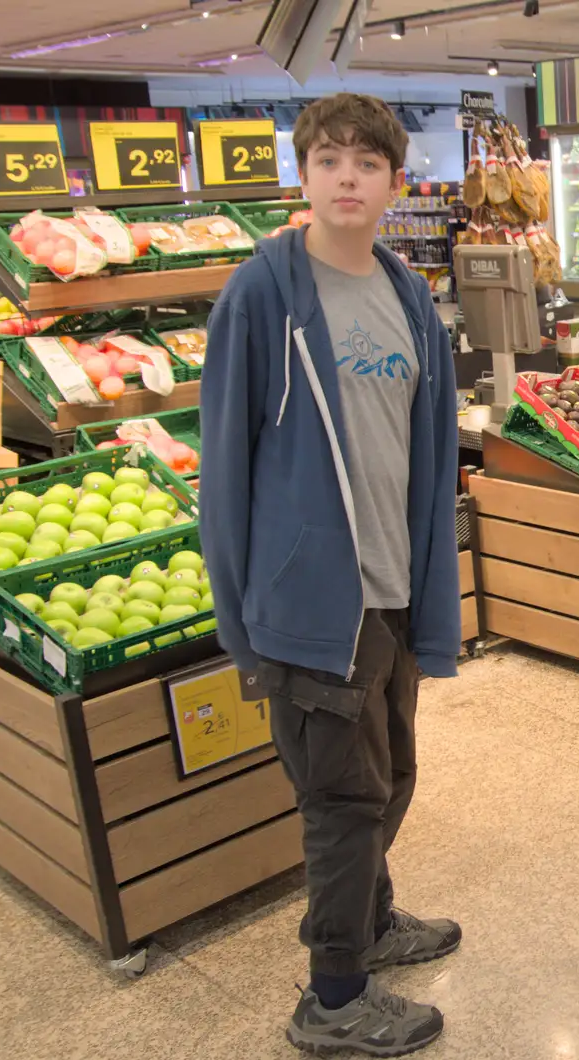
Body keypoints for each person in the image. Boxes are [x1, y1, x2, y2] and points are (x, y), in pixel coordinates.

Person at [201, 93, 462, 1056]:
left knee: (389, 777)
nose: (348, 176)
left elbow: (424, 452)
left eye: (367, 162)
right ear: (303, 176)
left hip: (390, 588)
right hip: (314, 601)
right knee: (344, 801)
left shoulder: (404, 295)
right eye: (329, 160)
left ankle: (372, 920)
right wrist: (247, 617)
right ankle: (335, 997)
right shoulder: (262, 295)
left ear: (394, 183)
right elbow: (224, 468)